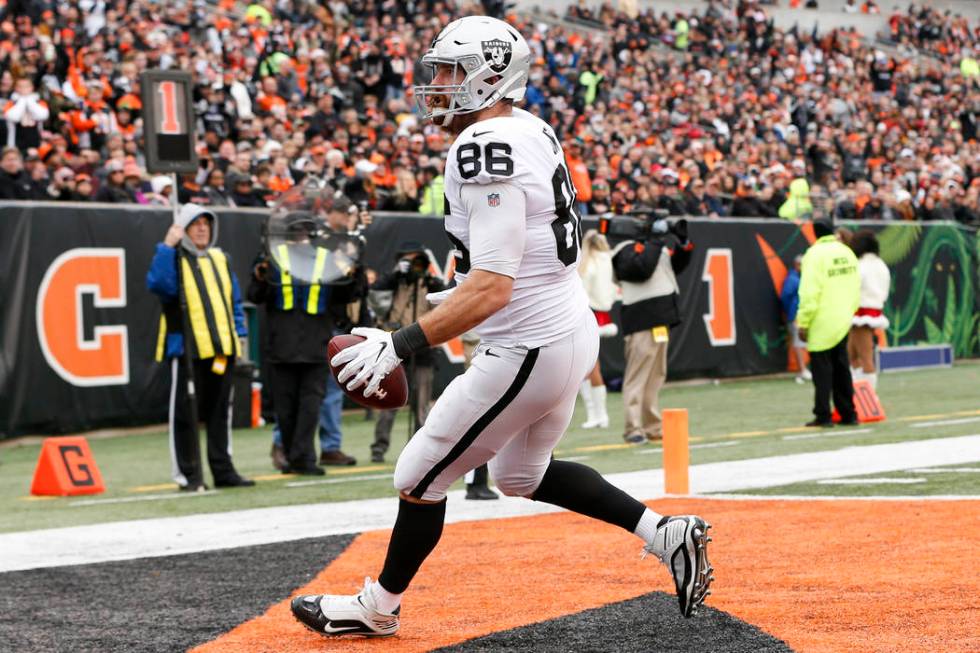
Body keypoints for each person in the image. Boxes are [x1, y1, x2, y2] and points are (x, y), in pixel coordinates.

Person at [291, 17, 713, 639]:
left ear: (489, 76)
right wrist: (461, 289)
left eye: (449, 71)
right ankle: (664, 533)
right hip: (562, 326)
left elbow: (494, 285)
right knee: (521, 475)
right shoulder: (528, 127)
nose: (436, 84)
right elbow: (517, 256)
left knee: (417, 475)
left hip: (526, 345)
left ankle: (378, 606)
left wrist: (400, 343)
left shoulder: (484, 143)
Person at [249, 187, 361, 476]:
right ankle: (292, 454)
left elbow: (346, 295)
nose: (301, 236)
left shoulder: (325, 259)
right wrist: (258, 275)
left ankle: (303, 458)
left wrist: (355, 272)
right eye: (295, 231)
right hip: (282, 345)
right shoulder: (271, 259)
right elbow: (256, 294)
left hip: (314, 344)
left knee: (310, 405)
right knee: (285, 409)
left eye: (305, 231)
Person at [146, 204, 254, 491]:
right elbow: (158, 284)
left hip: (222, 349)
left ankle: (223, 471)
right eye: (195, 224)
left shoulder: (221, 258)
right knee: (185, 416)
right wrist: (167, 246)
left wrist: (239, 335)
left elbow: (234, 300)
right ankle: (189, 475)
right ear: (183, 230)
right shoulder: (173, 259)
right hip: (187, 352)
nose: (203, 228)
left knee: (221, 415)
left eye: (207, 222)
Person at [611, 217, 694, 444]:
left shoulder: (653, 249)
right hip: (641, 319)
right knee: (637, 377)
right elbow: (641, 270)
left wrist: (682, 241)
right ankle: (633, 428)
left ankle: (651, 425)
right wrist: (656, 242)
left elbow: (677, 266)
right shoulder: (623, 250)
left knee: (656, 376)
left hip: (660, 319)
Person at [369, 244, 446, 464]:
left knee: (422, 403)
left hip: (422, 347)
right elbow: (374, 294)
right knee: (388, 400)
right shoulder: (392, 282)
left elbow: (444, 304)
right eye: (409, 261)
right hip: (393, 345)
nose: (414, 266)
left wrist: (430, 280)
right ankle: (379, 447)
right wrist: (396, 275)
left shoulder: (430, 284)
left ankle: (420, 448)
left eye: (418, 261)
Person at [796, 219, 861, 427]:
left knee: (822, 372)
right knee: (843, 369)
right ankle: (848, 413)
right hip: (842, 318)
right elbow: (856, 285)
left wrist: (803, 322)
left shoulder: (814, 254)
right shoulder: (846, 252)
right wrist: (849, 311)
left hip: (821, 321)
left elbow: (809, 292)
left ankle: (823, 415)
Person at [577, 229, 618, 429]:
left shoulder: (590, 263)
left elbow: (582, 288)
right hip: (602, 314)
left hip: (588, 313)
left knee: (589, 367)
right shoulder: (608, 260)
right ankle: (597, 415)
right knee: (590, 366)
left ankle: (598, 415)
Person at [847, 229, 890, 389]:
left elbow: (853, 287)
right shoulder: (881, 265)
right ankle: (858, 389)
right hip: (874, 310)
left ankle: (869, 396)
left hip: (861, 313)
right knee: (852, 354)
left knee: (865, 358)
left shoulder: (861, 266)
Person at [781, 255, 811, 383]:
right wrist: (792, 313)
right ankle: (802, 370)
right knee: (798, 343)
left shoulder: (799, 278)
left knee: (803, 342)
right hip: (796, 317)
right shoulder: (793, 279)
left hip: (803, 316)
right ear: (798, 265)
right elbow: (785, 297)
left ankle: (805, 369)